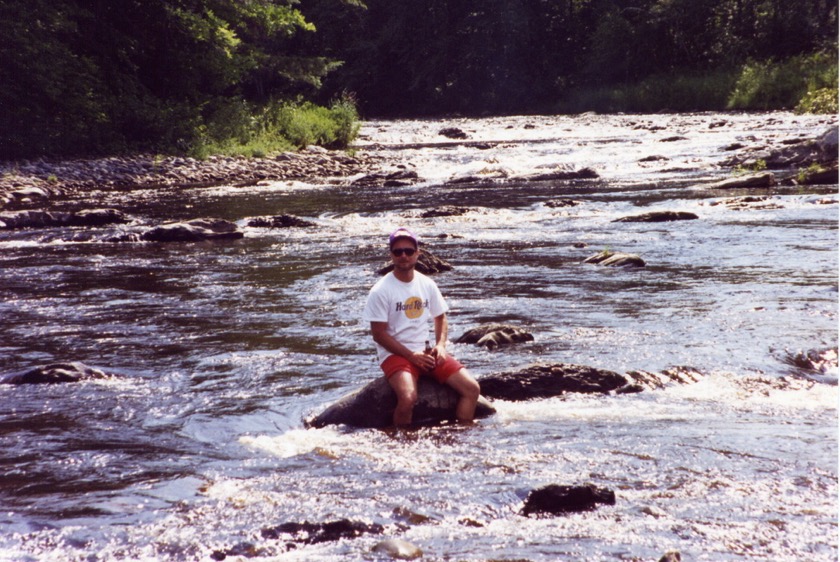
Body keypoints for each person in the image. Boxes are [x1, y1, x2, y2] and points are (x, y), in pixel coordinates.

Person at [362, 228, 480, 426]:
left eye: (408, 250)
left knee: (472, 389)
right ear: (391, 255)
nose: (403, 256)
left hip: (427, 352)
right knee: (408, 398)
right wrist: (411, 356)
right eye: (398, 252)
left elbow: (440, 317)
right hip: (396, 355)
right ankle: (403, 443)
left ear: (418, 253)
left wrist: (441, 346)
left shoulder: (427, 284)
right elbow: (379, 334)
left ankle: (462, 434)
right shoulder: (381, 290)